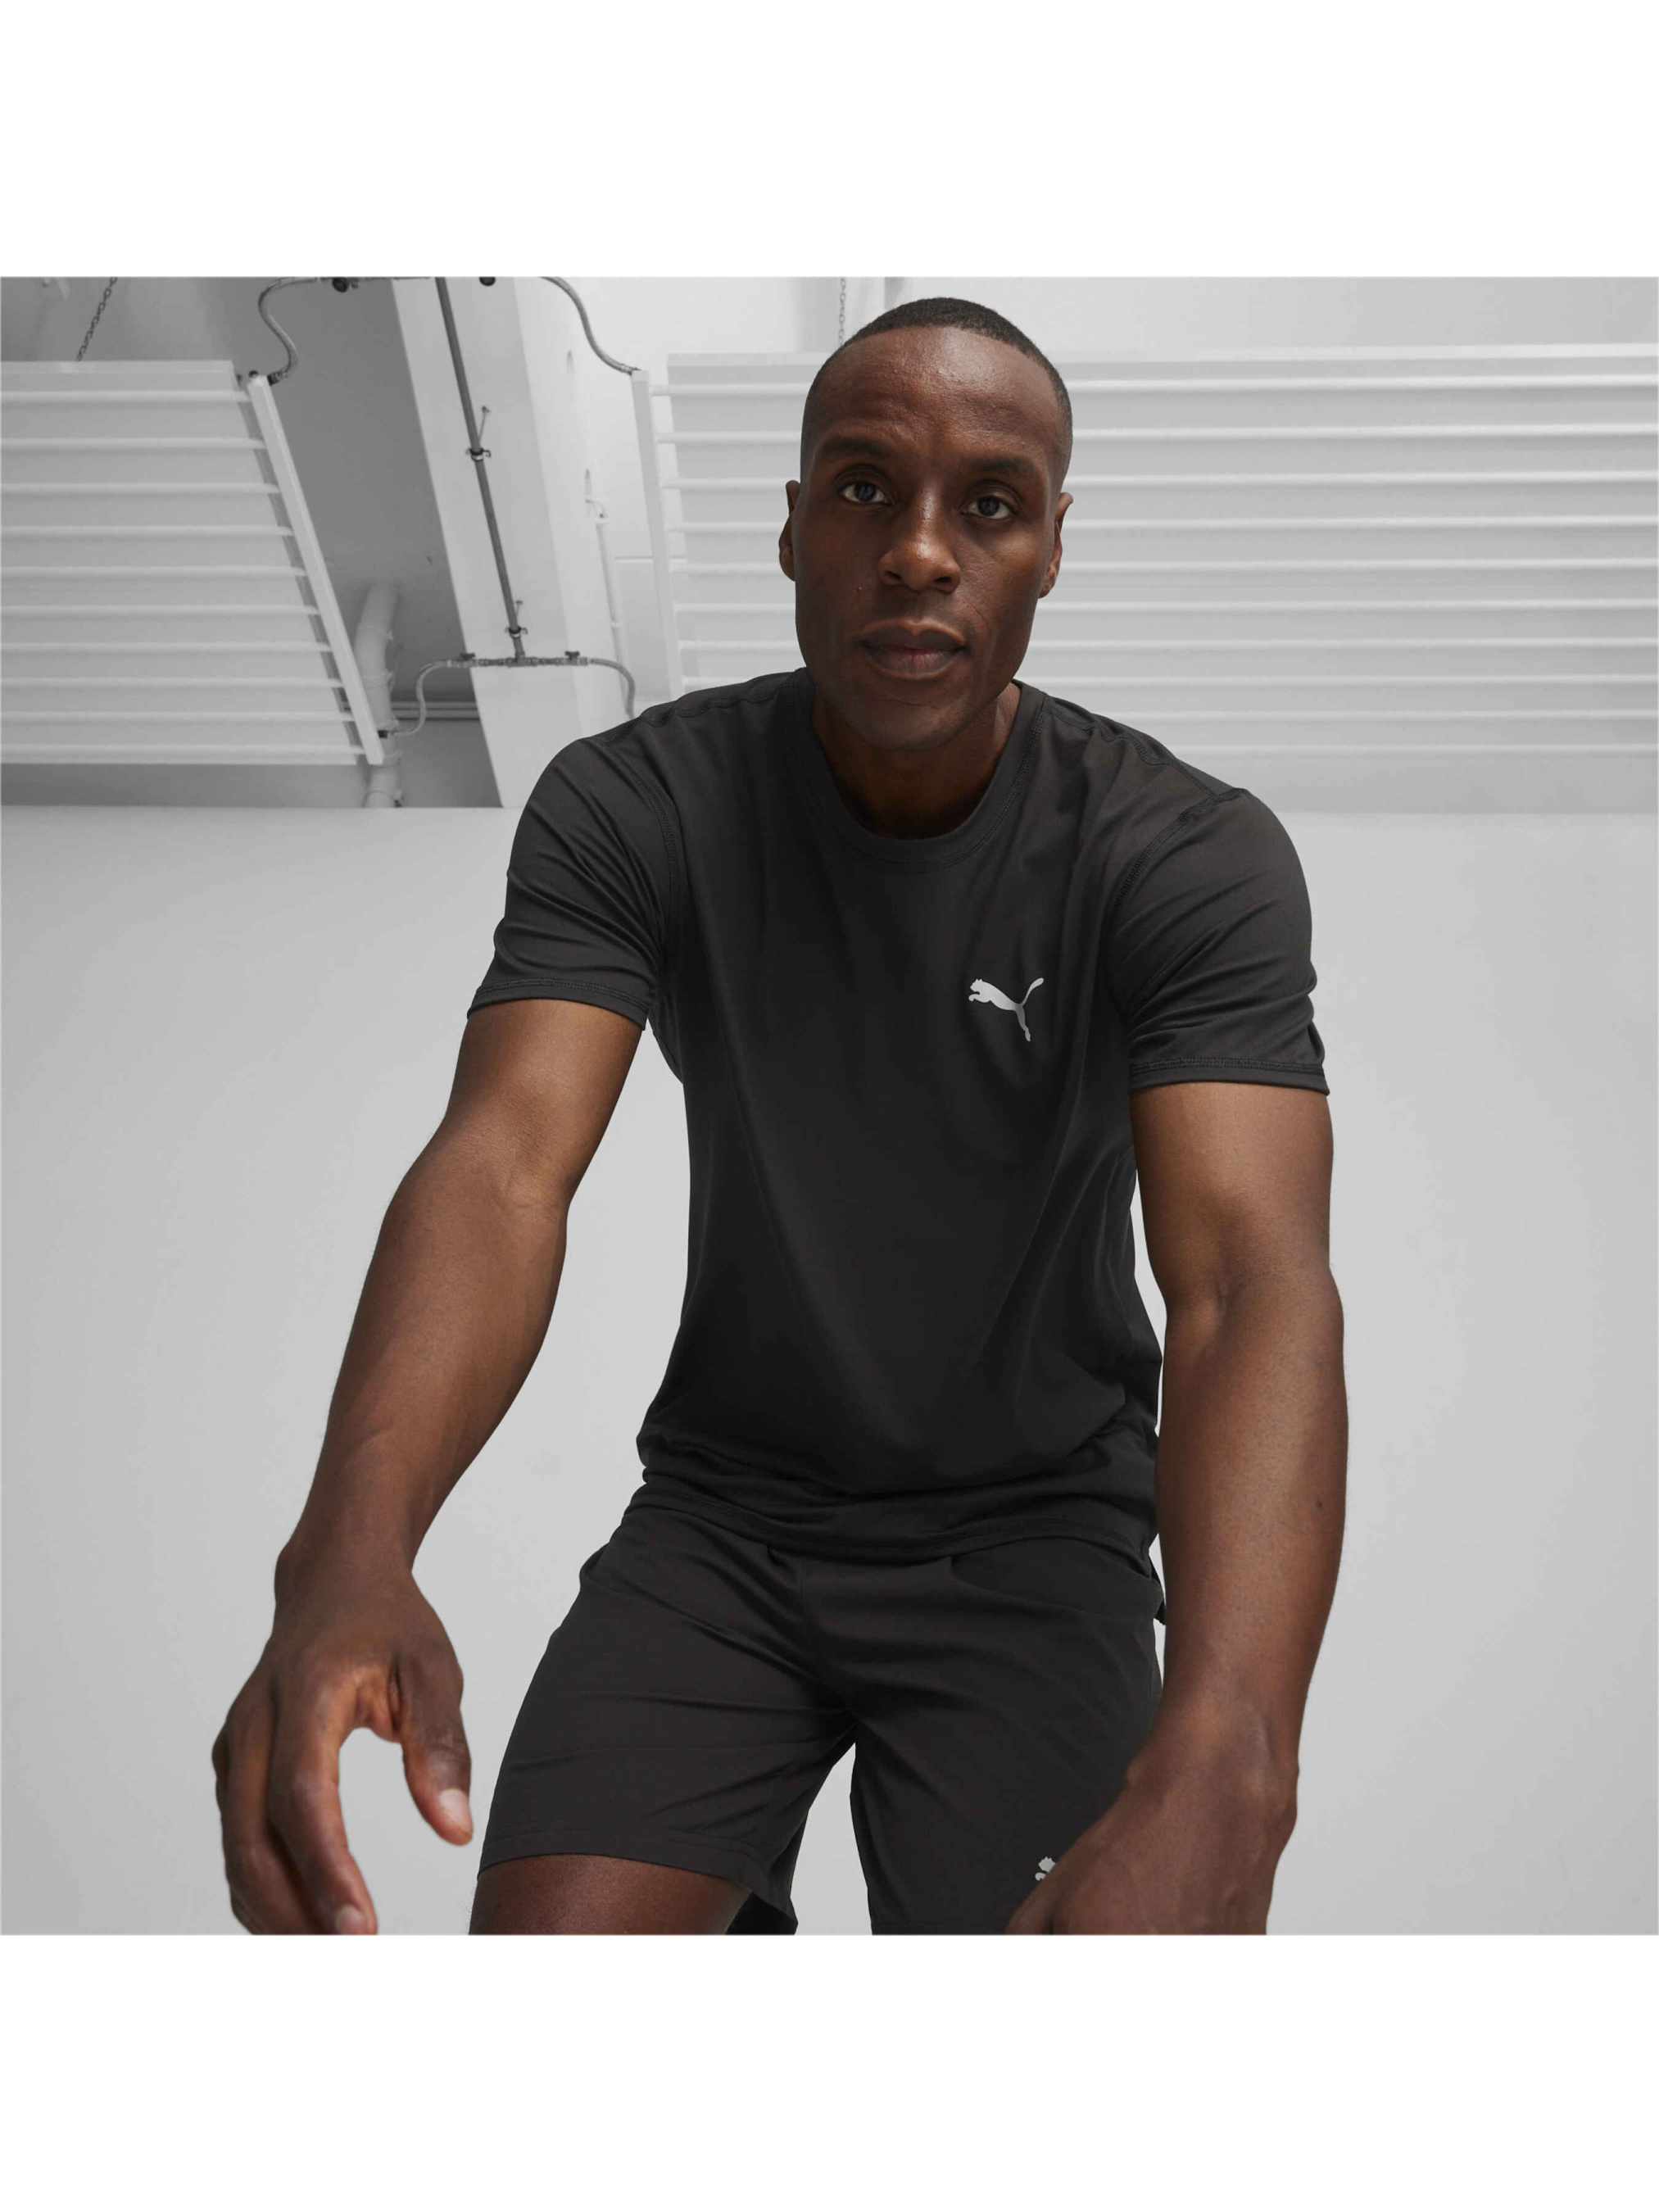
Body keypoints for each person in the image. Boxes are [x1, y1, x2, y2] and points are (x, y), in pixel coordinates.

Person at [212, 297, 1347, 1935]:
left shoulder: (1179, 853)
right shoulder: (636, 805)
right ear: (794, 526)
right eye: (866, 489)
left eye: (989, 504)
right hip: (723, 1527)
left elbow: (1245, 1277)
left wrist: (1234, 1744)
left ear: (1048, 548)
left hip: (1036, 1542)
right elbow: (504, 1165)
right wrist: (344, 1545)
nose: (919, 552)